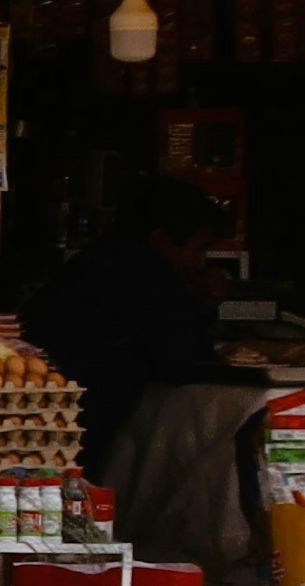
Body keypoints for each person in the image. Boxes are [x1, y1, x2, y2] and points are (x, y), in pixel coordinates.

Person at [24, 173, 243, 472]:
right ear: (161, 241)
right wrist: (200, 307)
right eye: (199, 249)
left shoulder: (99, 262)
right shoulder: (144, 279)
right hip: (83, 430)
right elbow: (188, 360)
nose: (201, 263)